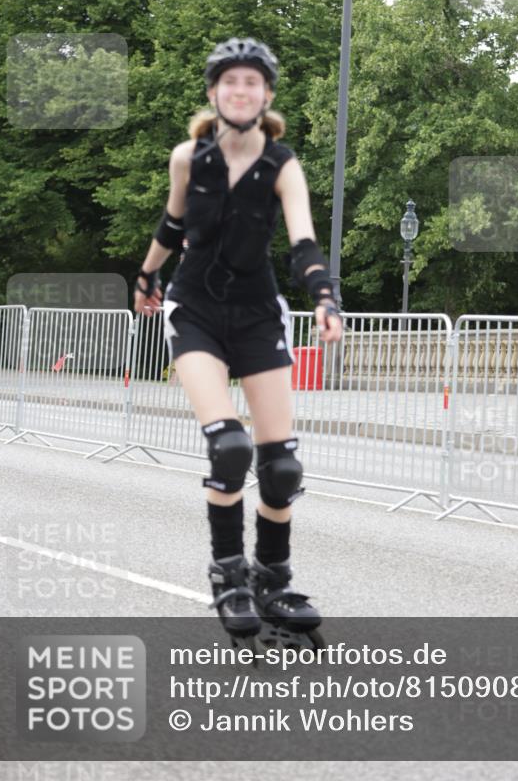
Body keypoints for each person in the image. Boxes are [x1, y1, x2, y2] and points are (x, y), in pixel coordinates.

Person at [132, 37, 342, 640]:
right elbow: (172, 224)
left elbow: (303, 242)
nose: (241, 90)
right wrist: (147, 276)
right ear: (213, 92)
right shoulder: (187, 158)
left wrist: (324, 296)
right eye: (231, 81)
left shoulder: (283, 164)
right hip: (195, 309)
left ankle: (272, 576)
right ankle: (228, 573)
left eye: (252, 81)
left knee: (282, 468)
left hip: (256, 313)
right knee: (229, 447)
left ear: (267, 94)